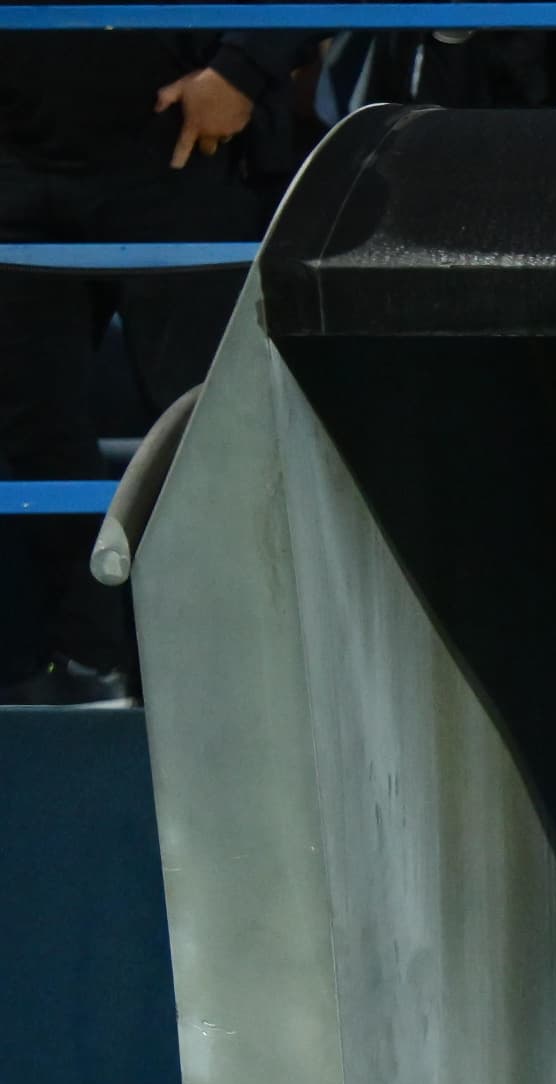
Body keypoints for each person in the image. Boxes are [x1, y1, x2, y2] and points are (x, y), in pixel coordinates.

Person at [0, 27, 318, 704]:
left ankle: (217, 675)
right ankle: (88, 664)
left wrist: (243, 68)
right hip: (19, 158)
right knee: (30, 426)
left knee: (206, 428)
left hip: (188, 145)